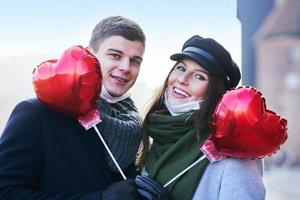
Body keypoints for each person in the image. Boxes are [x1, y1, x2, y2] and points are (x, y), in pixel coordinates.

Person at [0, 16, 146, 200]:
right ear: (90, 54)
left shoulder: (135, 125)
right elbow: (6, 192)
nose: (126, 67)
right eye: (115, 55)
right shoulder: (36, 113)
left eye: (135, 61)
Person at [136, 35, 266, 200]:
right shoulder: (156, 134)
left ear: (215, 93)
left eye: (199, 76)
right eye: (181, 68)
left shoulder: (233, 154)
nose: (182, 79)